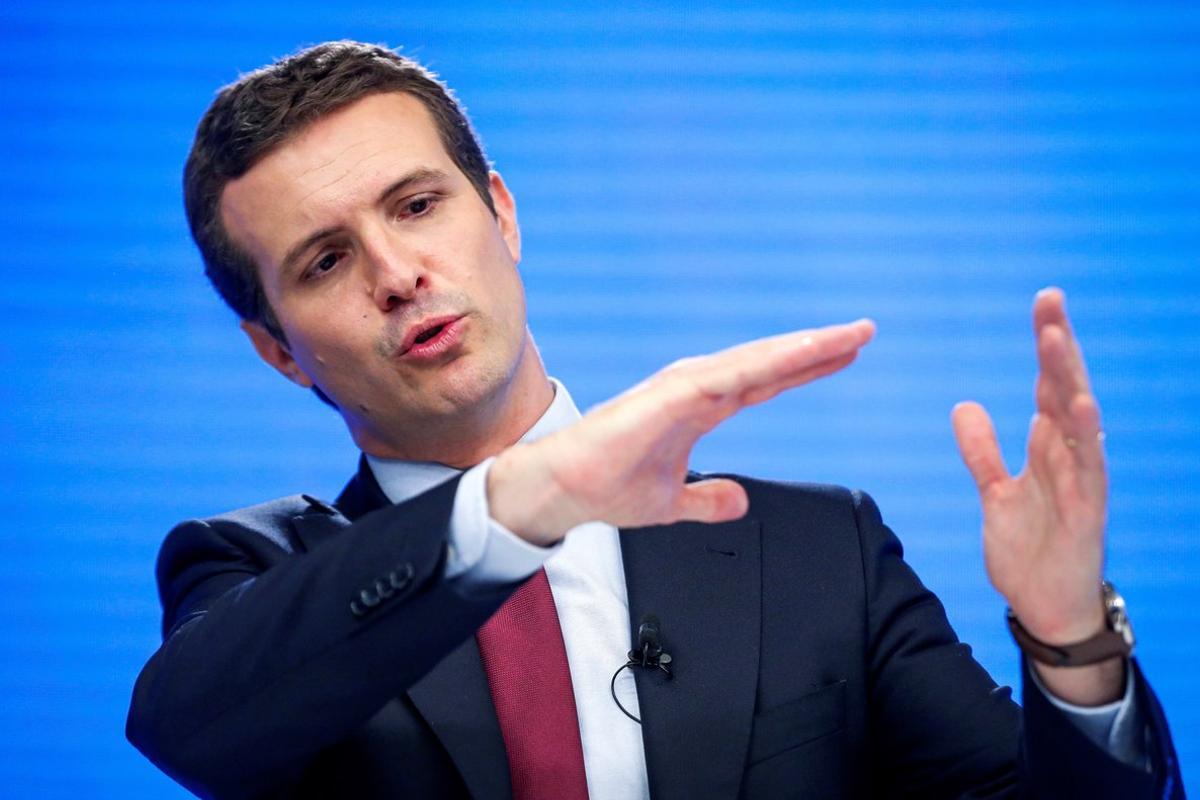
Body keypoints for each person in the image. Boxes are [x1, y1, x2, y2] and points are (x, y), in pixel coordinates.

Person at [127, 41, 1182, 799]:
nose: (398, 274)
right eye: (324, 260)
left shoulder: (816, 550)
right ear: (276, 348)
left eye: (416, 206)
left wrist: (1069, 639)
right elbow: (195, 729)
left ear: (501, 212)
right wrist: (518, 503)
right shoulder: (249, 570)